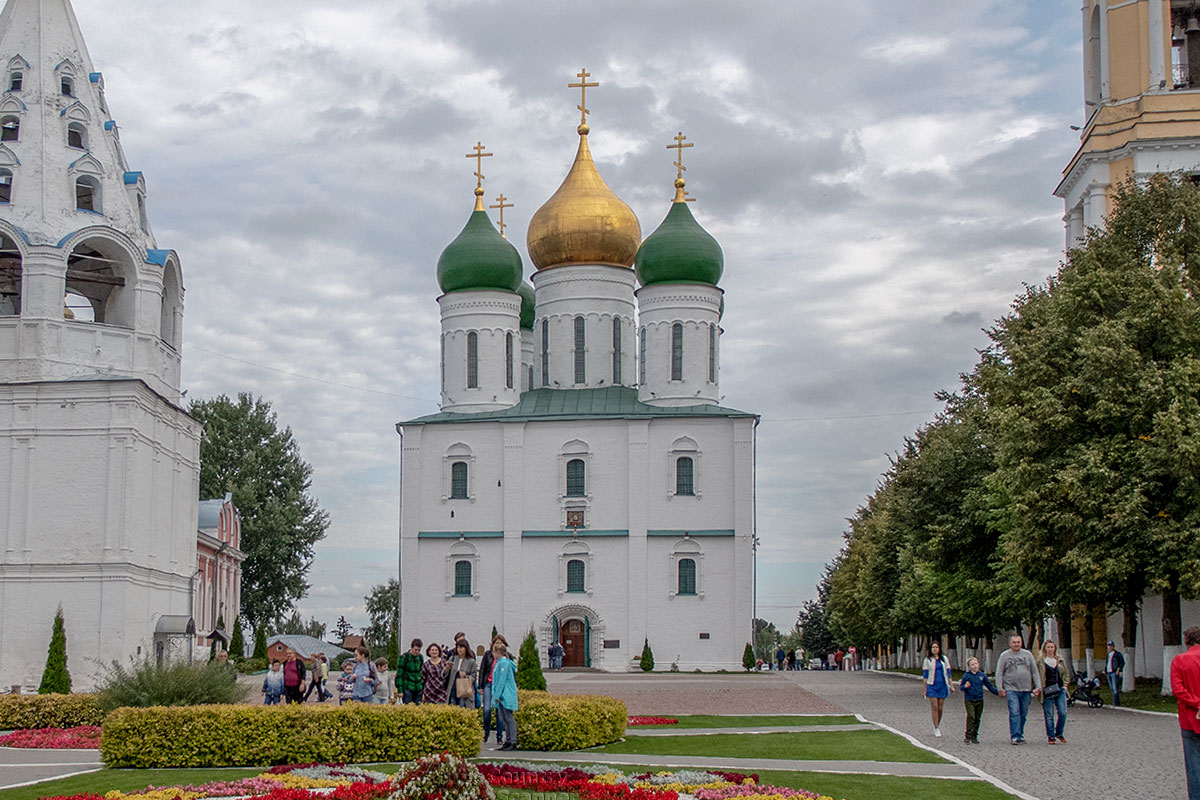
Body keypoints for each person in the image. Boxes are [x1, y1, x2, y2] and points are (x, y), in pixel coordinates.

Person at [996, 633, 1041, 745]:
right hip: (1011, 689)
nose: (1016, 644)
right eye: (1014, 642)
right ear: (1010, 643)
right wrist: (1000, 688)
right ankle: (1015, 736)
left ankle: (1020, 733)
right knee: (1014, 712)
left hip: (1026, 689)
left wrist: (1038, 686)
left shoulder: (1028, 655)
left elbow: (1034, 671)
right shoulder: (1005, 655)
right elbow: (999, 672)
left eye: (1018, 642)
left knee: (1023, 713)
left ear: (1021, 643)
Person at [1171, 625, 1200, 799]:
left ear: (1185, 640)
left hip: (1190, 720)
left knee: (1194, 764)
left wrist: (1197, 703)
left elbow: (1178, 689)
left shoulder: (1180, 661)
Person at [1037, 640, 1071, 745]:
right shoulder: (1040, 661)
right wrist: (1038, 687)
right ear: (1044, 649)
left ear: (1055, 649)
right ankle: (1051, 736)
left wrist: (1065, 686)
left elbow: (1066, 674)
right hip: (1047, 690)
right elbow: (1037, 676)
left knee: (1063, 712)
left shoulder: (1059, 660)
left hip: (1059, 689)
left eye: (1052, 647)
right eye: (1048, 647)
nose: (1050, 649)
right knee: (1049, 714)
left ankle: (1059, 732)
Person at [959, 656, 998, 743]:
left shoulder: (982, 675)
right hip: (969, 699)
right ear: (969, 666)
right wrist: (965, 686)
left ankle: (974, 735)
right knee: (971, 716)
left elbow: (989, 685)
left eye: (976, 664)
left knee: (977, 717)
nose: (975, 666)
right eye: (972, 664)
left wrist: (997, 692)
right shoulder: (967, 676)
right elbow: (961, 687)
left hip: (979, 699)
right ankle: (968, 735)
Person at [922, 641, 955, 737]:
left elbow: (948, 673)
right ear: (930, 649)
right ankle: (936, 728)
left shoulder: (944, 659)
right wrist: (924, 689)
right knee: (934, 707)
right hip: (932, 685)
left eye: (936, 647)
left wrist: (951, 685)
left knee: (940, 707)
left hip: (942, 685)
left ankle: (937, 723)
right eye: (933, 647)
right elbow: (925, 676)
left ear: (939, 648)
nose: (935, 649)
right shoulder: (928, 660)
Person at [479, 634, 508, 743]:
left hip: (500, 687)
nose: (498, 645)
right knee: (487, 709)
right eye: (496, 643)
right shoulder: (488, 654)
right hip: (489, 684)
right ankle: (486, 732)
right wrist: (481, 685)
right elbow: (482, 669)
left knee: (499, 712)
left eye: (500, 643)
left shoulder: (507, 656)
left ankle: (499, 737)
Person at [491, 640, 519, 750]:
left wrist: (497, 695)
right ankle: (507, 740)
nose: (492, 654)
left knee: (508, 717)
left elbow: (501, 680)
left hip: (505, 693)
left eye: (493, 651)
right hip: (503, 693)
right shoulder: (499, 663)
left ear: (498, 652)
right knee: (504, 718)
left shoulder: (504, 663)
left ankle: (513, 741)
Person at [448, 639, 477, 708]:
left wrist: (466, 676)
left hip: (464, 690)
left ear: (466, 648)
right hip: (453, 688)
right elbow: (445, 675)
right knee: (453, 708)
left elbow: (474, 676)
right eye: (458, 647)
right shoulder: (452, 658)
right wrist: (447, 669)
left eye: (461, 647)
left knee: (462, 707)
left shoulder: (471, 661)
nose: (459, 649)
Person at [397, 638, 424, 704]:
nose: (417, 652)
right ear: (411, 648)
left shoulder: (420, 657)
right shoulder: (404, 657)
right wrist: (400, 690)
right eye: (415, 650)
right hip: (407, 687)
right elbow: (399, 675)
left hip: (418, 687)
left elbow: (422, 672)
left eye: (419, 650)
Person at [1105, 640, 1126, 707]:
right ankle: (1117, 702)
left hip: (1114, 672)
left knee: (1115, 688)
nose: (1110, 647)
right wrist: (1105, 670)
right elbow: (1107, 663)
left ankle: (1115, 703)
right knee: (1112, 688)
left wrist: (1118, 669)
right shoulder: (1108, 655)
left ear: (1113, 646)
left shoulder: (1117, 654)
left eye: (1111, 645)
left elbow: (1122, 662)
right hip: (1108, 672)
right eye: (1108, 645)